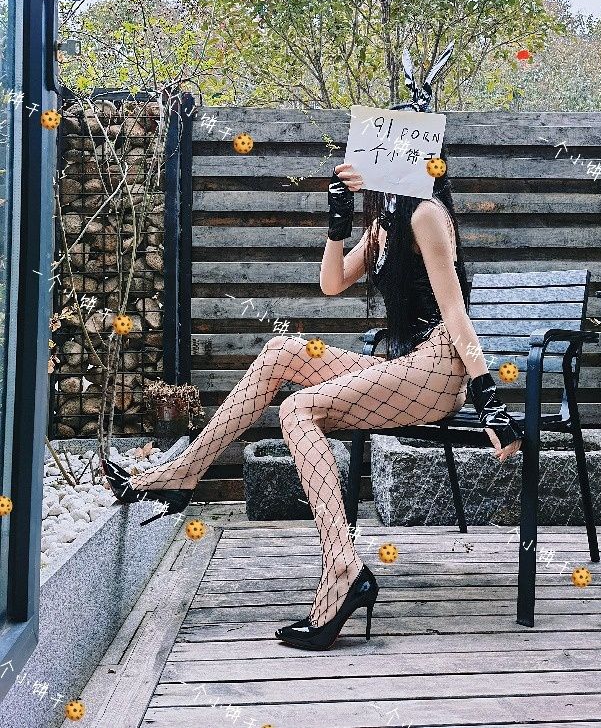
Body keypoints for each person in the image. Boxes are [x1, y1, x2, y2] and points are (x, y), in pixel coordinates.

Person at [101, 52, 524, 652]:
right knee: (282, 351)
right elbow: (331, 283)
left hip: (438, 370)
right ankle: (185, 474)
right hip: (402, 365)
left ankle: (342, 567)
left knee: (299, 409)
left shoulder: (428, 216)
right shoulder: (384, 223)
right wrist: (337, 220)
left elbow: (456, 313)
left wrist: (489, 399)